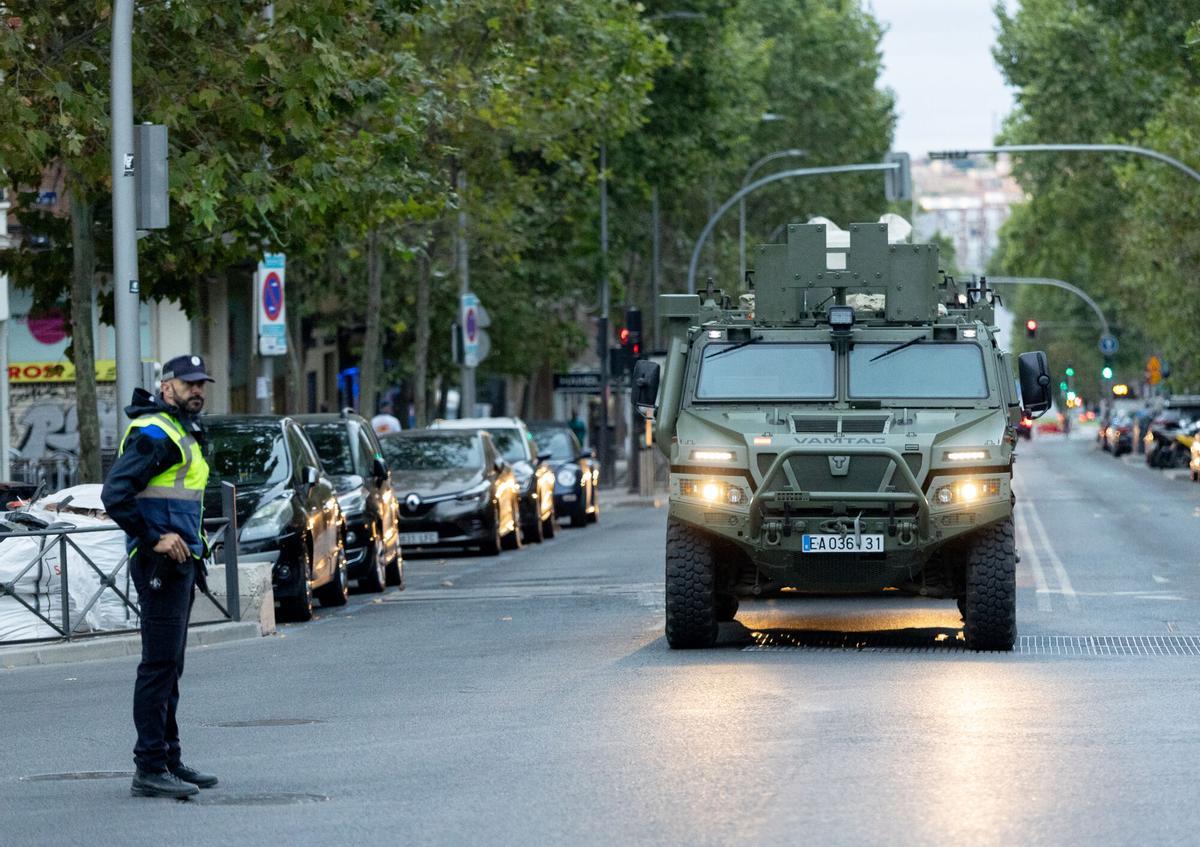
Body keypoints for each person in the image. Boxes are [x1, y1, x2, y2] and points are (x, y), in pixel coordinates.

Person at [101, 355, 219, 799]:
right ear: (166, 387)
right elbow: (115, 494)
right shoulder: (156, 433)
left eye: (200, 383)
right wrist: (153, 538)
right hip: (160, 565)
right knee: (158, 666)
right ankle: (149, 766)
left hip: (180, 563)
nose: (197, 390)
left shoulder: (180, 429)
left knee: (171, 665)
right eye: (188, 383)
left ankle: (168, 758)